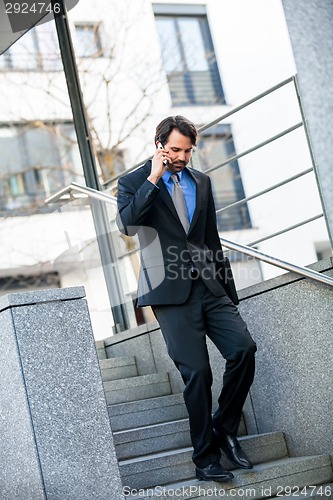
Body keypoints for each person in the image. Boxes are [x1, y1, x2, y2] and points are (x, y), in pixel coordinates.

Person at [116, 115, 257, 482]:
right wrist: (154, 177)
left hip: (210, 286)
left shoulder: (202, 182)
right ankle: (205, 458)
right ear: (160, 143)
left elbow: (211, 239)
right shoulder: (134, 181)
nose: (182, 156)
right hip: (170, 291)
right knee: (197, 373)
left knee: (243, 349)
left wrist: (229, 293)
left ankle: (224, 426)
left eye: (188, 150)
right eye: (175, 149)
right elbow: (128, 226)